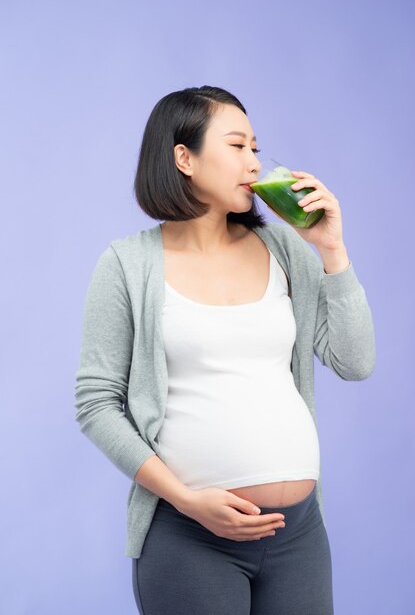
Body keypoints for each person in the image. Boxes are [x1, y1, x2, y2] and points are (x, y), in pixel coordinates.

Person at [74, 85, 376, 614]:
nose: (255, 164)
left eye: (256, 148)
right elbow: (97, 404)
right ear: (183, 158)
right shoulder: (126, 265)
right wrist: (186, 499)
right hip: (191, 538)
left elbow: (355, 363)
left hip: (299, 536)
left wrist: (332, 251)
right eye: (238, 147)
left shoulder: (284, 248)